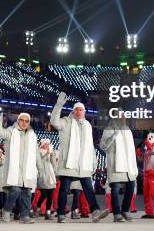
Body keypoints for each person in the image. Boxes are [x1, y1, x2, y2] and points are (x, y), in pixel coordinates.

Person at [50, 92, 109, 223]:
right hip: (68, 163)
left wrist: (93, 163)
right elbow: (54, 121)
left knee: (89, 189)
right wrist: (59, 105)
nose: (79, 111)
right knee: (64, 189)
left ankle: (95, 211)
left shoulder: (88, 125)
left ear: (84, 112)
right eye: (76, 109)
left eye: (81, 109)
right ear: (73, 111)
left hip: (83, 164)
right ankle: (61, 214)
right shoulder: (66, 121)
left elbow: (90, 146)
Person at [0, 110, 38, 224]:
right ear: (18, 121)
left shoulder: (32, 135)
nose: (24, 123)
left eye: (26, 121)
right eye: (21, 120)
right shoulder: (11, 131)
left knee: (27, 192)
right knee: (16, 190)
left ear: (29, 123)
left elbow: (35, 154)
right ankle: (7, 210)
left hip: (27, 170)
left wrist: (38, 168)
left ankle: (25, 216)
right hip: (14, 170)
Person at [99, 115, 138, 222]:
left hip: (128, 165)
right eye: (120, 116)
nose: (123, 118)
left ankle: (125, 210)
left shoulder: (128, 130)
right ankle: (116, 214)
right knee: (115, 189)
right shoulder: (109, 129)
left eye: (124, 116)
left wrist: (134, 166)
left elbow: (131, 151)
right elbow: (102, 146)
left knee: (131, 186)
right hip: (115, 164)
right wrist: (112, 137)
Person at [35, 139, 57, 220]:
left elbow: (53, 163)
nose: (47, 145)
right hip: (42, 175)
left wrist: (52, 155)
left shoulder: (49, 152)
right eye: (45, 144)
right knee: (43, 195)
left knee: (50, 196)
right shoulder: (39, 152)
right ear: (42, 144)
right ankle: (37, 207)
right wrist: (45, 154)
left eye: (48, 144)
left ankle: (48, 213)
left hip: (50, 176)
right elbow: (39, 162)